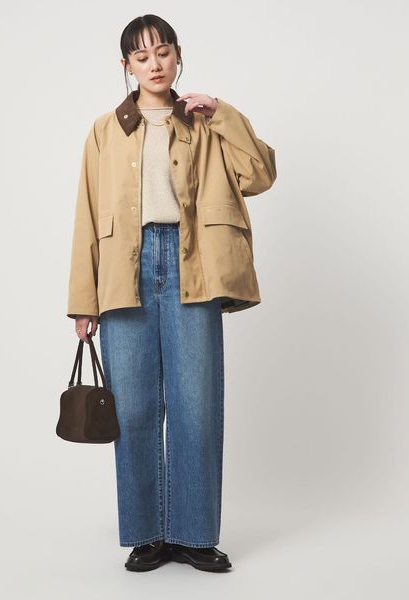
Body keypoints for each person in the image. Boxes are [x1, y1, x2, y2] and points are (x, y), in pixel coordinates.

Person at [66, 14, 277, 572]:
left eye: (162, 52)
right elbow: (87, 215)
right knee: (134, 407)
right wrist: (83, 302)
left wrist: (223, 112)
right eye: (141, 57)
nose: (154, 64)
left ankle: (194, 535)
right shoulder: (104, 131)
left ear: (178, 55)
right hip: (124, 272)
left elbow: (260, 174)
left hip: (194, 265)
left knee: (195, 404)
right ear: (126, 66)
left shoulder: (205, 122)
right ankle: (147, 535)